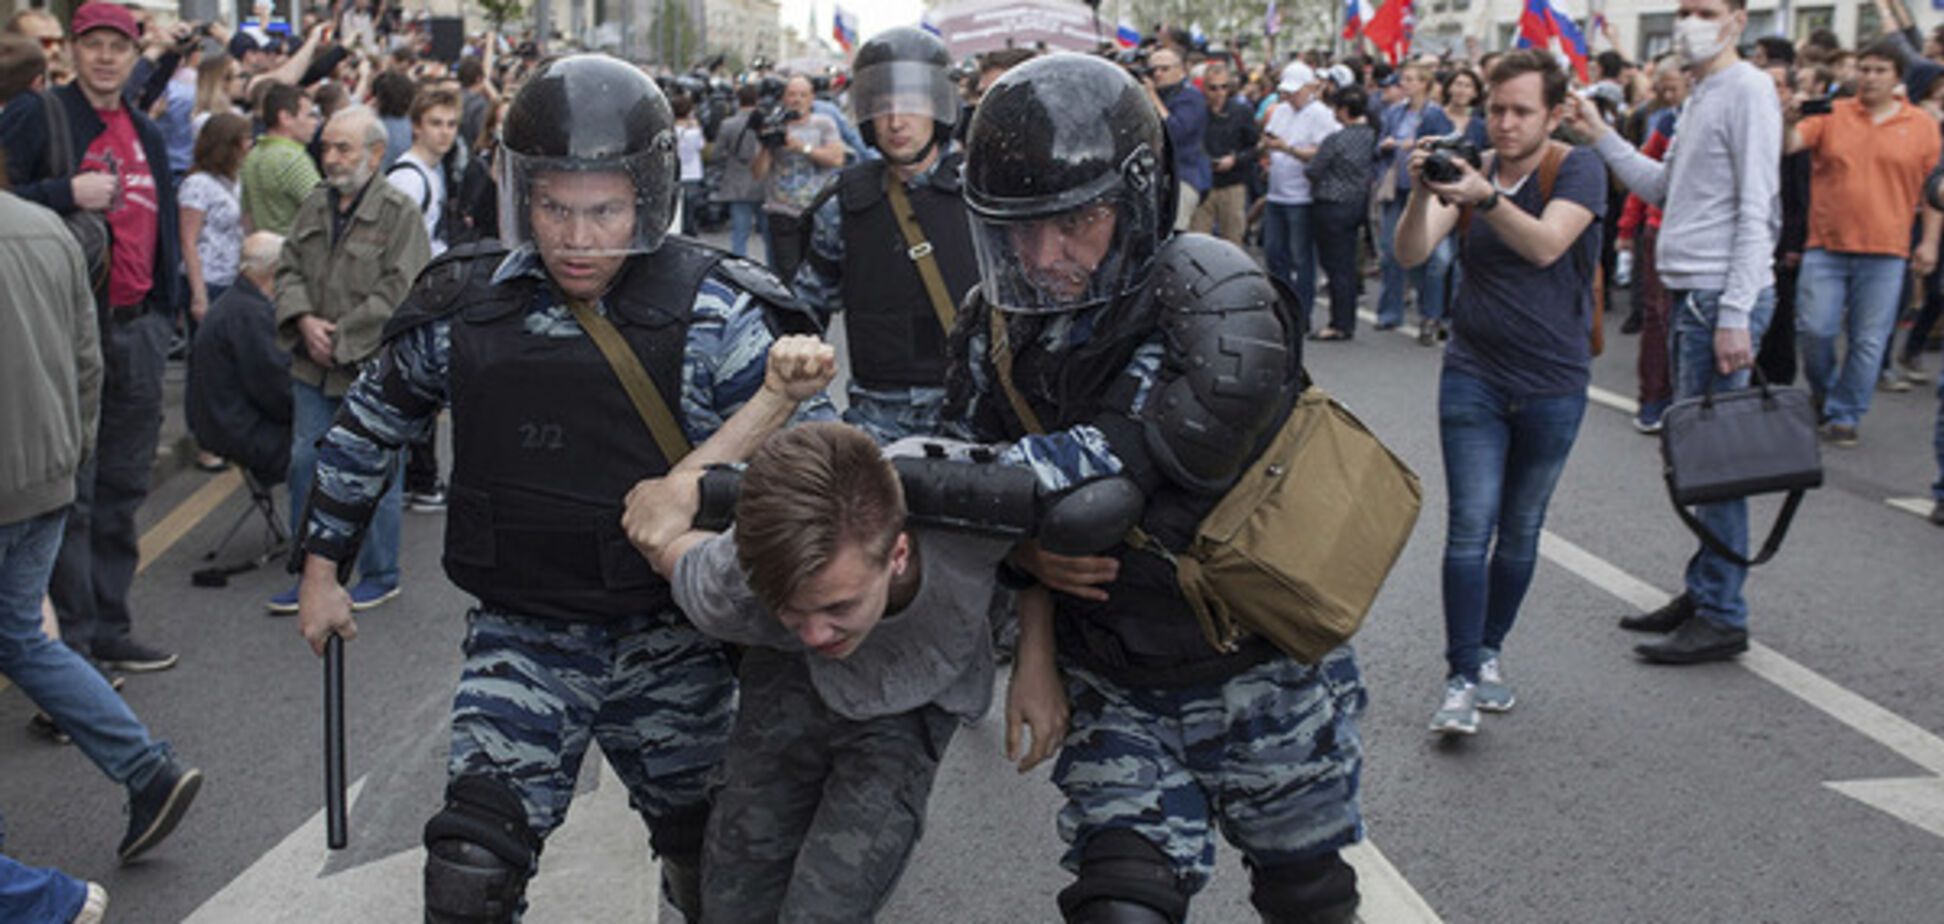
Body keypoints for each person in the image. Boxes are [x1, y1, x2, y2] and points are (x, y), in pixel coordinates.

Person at [287, 54, 832, 923]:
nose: (579, 239)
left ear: (645, 200)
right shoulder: (468, 308)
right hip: (525, 634)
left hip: (675, 641)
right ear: (523, 198)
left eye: (604, 210)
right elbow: (367, 427)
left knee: (720, 872)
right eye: (556, 210)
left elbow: (816, 475)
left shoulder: (714, 314)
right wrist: (322, 570)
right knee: (470, 872)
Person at [946, 53, 1365, 924]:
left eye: (1076, 223)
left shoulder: (1216, 297)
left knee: (1307, 896)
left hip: (1258, 672)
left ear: (1133, 201)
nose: (1043, 255)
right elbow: (983, 491)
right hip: (1117, 678)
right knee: (1117, 903)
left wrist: (903, 482)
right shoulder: (994, 328)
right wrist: (1031, 617)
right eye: (1019, 230)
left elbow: (1110, 473)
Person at [627, 422, 1064, 921]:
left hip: (912, 695)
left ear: (898, 554)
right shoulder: (731, 578)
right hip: (788, 683)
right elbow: (660, 536)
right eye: (794, 609)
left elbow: (1047, 543)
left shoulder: (970, 503)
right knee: (733, 899)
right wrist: (680, 491)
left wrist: (1037, 659)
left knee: (826, 908)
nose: (816, 632)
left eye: (838, 605)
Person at [1395, 50, 1607, 735]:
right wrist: (1426, 190)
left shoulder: (1576, 167)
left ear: (1552, 114)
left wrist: (1486, 199)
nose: (1507, 123)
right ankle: (1459, 675)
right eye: (1497, 109)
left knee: (1519, 532)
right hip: (1474, 375)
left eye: (1522, 110)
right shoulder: (1471, 168)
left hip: (1553, 380)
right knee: (1468, 527)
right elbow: (1410, 255)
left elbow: (1547, 244)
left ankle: (1488, 652)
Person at [0, 168, 203, 870]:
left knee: (24, 637)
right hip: (46, 475)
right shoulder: (46, 230)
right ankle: (147, 768)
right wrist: (70, 455)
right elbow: (87, 361)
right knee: (24, 638)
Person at [1567, 0, 1781, 665]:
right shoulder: (1702, 93)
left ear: (1739, 20)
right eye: (1683, 7)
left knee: (1714, 465)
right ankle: (1707, 586)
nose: (1689, 19)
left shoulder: (1747, 90)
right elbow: (1665, 188)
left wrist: (1736, 311)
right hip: (1689, 292)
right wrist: (1601, 134)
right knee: (1693, 460)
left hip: (1719, 295)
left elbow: (1757, 208)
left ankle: (1721, 611)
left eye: (1705, 9)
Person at [0, 1, 185, 673]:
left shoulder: (145, 129)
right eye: (93, 44)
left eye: (118, 46)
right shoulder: (35, 114)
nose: (106, 57)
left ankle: (109, 626)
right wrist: (63, 191)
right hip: (64, 333)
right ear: (71, 52)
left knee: (122, 490)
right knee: (71, 493)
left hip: (139, 330)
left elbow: (160, 222)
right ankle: (71, 646)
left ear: (135, 57)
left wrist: (168, 309)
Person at [267, 105, 430, 614]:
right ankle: (311, 574)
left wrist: (339, 338)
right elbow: (288, 268)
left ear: (375, 154)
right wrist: (303, 321)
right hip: (311, 364)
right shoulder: (315, 205)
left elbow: (401, 291)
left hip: (370, 368)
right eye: (327, 147)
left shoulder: (399, 212)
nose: (331, 157)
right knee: (305, 464)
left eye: (344, 148)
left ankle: (381, 573)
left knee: (376, 468)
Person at [794, 26, 977, 443]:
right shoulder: (843, 202)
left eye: (912, 105)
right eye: (882, 106)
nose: (896, 121)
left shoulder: (983, 194)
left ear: (939, 108)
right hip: (876, 420)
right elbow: (802, 317)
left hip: (974, 416)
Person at [1783, 40, 1940, 449]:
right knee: (1815, 330)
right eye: (1865, 69)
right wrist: (1787, 118)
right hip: (1826, 245)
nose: (1869, 78)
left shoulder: (1921, 124)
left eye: (1879, 71)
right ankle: (1825, 390)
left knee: (1868, 341)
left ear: (1898, 78)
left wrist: (1930, 244)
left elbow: (1934, 191)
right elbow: (1789, 145)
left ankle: (1845, 414)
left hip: (1887, 250)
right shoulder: (1833, 113)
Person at [187, 232, 292, 483]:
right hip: (242, 431)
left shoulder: (235, 304)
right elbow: (277, 390)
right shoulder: (250, 315)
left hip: (223, 423)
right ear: (275, 270)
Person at [1374, 63, 1456, 337]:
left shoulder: (1435, 115)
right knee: (1390, 251)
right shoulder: (1394, 111)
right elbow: (1379, 143)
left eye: (1410, 79)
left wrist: (1417, 146)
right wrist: (1386, 145)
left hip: (1425, 191)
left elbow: (1445, 148)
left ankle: (1430, 314)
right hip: (1395, 188)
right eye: (1403, 79)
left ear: (1424, 83)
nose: (1404, 83)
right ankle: (1389, 312)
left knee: (1431, 256)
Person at [1260, 63, 1337, 326]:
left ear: (1310, 88)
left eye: (1295, 92)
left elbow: (1325, 152)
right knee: (1274, 254)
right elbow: (1269, 137)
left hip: (1302, 196)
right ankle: (1281, 309)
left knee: (1302, 258)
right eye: (1287, 92)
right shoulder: (1281, 110)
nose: (1290, 97)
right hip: (1276, 193)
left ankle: (1302, 312)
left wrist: (1288, 148)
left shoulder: (1321, 115)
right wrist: (1268, 145)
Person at [752, 74, 844, 284]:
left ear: (812, 98)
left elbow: (836, 159)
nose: (797, 100)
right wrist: (767, 145)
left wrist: (801, 147)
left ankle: (816, 316)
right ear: (784, 98)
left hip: (819, 213)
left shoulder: (824, 124)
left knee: (818, 275)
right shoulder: (774, 123)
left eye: (803, 95)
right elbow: (758, 173)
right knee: (790, 275)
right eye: (792, 94)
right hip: (782, 212)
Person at [1306, 85, 1379, 341]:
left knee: (1335, 265)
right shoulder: (1371, 136)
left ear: (1344, 111)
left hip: (1331, 203)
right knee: (1347, 265)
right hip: (1357, 203)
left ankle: (1339, 323)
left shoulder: (1336, 140)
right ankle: (1346, 320)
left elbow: (1314, 169)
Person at [180, 111, 252, 326]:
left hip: (233, 276)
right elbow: (188, 240)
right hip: (209, 278)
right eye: (246, 139)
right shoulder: (198, 184)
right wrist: (199, 294)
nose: (251, 145)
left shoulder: (235, 181)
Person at [1188, 59, 1258, 245]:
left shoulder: (1241, 111)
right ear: (1204, 87)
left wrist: (1235, 159)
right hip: (1202, 184)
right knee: (1198, 242)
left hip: (1232, 184)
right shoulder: (1197, 110)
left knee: (1233, 240)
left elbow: (1253, 148)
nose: (1219, 93)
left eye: (1224, 87)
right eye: (1213, 88)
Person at [238, 81, 321, 236]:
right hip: (294, 253)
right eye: (310, 115)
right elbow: (322, 211)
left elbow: (246, 216)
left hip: (262, 252)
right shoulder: (292, 159)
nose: (315, 123)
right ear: (286, 118)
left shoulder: (252, 155)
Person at [1144, 47, 1209, 232]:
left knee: (1173, 234)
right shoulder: (1154, 93)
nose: (1158, 74)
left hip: (1182, 177)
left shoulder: (1191, 97)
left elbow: (1176, 132)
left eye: (1164, 69)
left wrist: (1153, 97)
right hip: (1156, 176)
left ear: (1180, 70)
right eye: (1153, 70)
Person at [710, 83, 766, 258]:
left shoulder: (728, 125)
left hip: (737, 183)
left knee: (739, 234)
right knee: (767, 234)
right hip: (763, 182)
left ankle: (739, 271)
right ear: (757, 99)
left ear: (737, 100)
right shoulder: (766, 122)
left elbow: (717, 154)